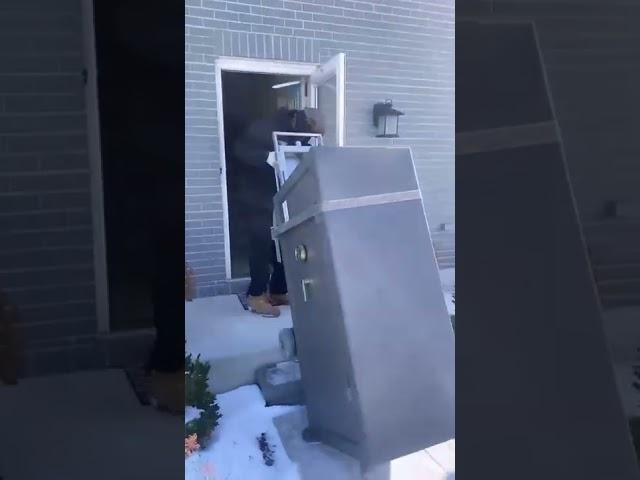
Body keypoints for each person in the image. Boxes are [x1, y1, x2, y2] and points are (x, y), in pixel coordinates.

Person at [234, 107, 321, 316]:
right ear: (302, 122)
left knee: (284, 244)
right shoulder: (263, 128)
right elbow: (240, 150)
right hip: (255, 199)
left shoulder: (297, 134)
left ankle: (278, 290)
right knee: (260, 247)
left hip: (281, 198)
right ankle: (255, 295)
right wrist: (267, 156)